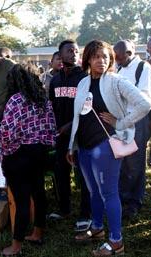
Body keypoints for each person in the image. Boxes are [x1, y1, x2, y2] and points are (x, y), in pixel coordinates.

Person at [67, 40, 151, 256]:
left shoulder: (115, 81)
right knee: (93, 190)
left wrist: (121, 122)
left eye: (105, 57)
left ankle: (116, 242)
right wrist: (71, 146)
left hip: (105, 145)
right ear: (87, 59)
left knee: (109, 193)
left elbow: (145, 103)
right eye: (96, 56)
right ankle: (96, 228)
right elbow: (77, 116)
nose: (101, 61)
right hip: (84, 147)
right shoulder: (83, 83)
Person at [0, 63, 56, 256]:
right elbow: (51, 127)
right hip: (39, 152)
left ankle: (16, 246)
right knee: (39, 194)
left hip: (19, 155)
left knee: (22, 201)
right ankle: (38, 233)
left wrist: (8, 151)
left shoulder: (15, 100)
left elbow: (6, 132)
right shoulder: (43, 99)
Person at [48, 40, 91, 231]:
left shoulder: (84, 77)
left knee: (83, 175)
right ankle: (64, 208)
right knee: (60, 172)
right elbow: (51, 107)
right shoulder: (55, 80)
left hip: (81, 134)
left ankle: (85, 214)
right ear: (60, 55)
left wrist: (69, 126)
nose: (74, 54)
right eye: (69, 51)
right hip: (60, 135)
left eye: (76, 51)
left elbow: (88, 109)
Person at [113, 39, 151, 219]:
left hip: (137, 121)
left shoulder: (143, 69)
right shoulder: (119, 68)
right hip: (119, 121)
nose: (117, 61)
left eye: (120, 58)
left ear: (130, 53)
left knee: (135, 163)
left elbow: (146, 98)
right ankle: (123, 198)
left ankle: (134, 202)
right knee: (122, 161)